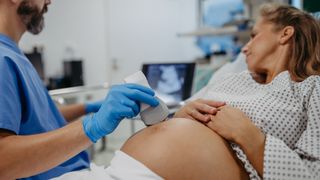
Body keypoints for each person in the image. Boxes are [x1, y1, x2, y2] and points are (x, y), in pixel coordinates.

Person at [57, 3, 320, 180]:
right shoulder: (236, 80)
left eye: (253, 36)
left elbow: (313, 172)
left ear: (285, 33)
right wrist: (181, 115)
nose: (245, 47)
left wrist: (250, 137)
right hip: (115, 170)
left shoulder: (312, 89)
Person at [0, 0, 159, 179]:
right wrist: (93, 126)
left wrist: (89, 107)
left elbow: (37, 118)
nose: (49, 1)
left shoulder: (13, 54)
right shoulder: (2, 58)